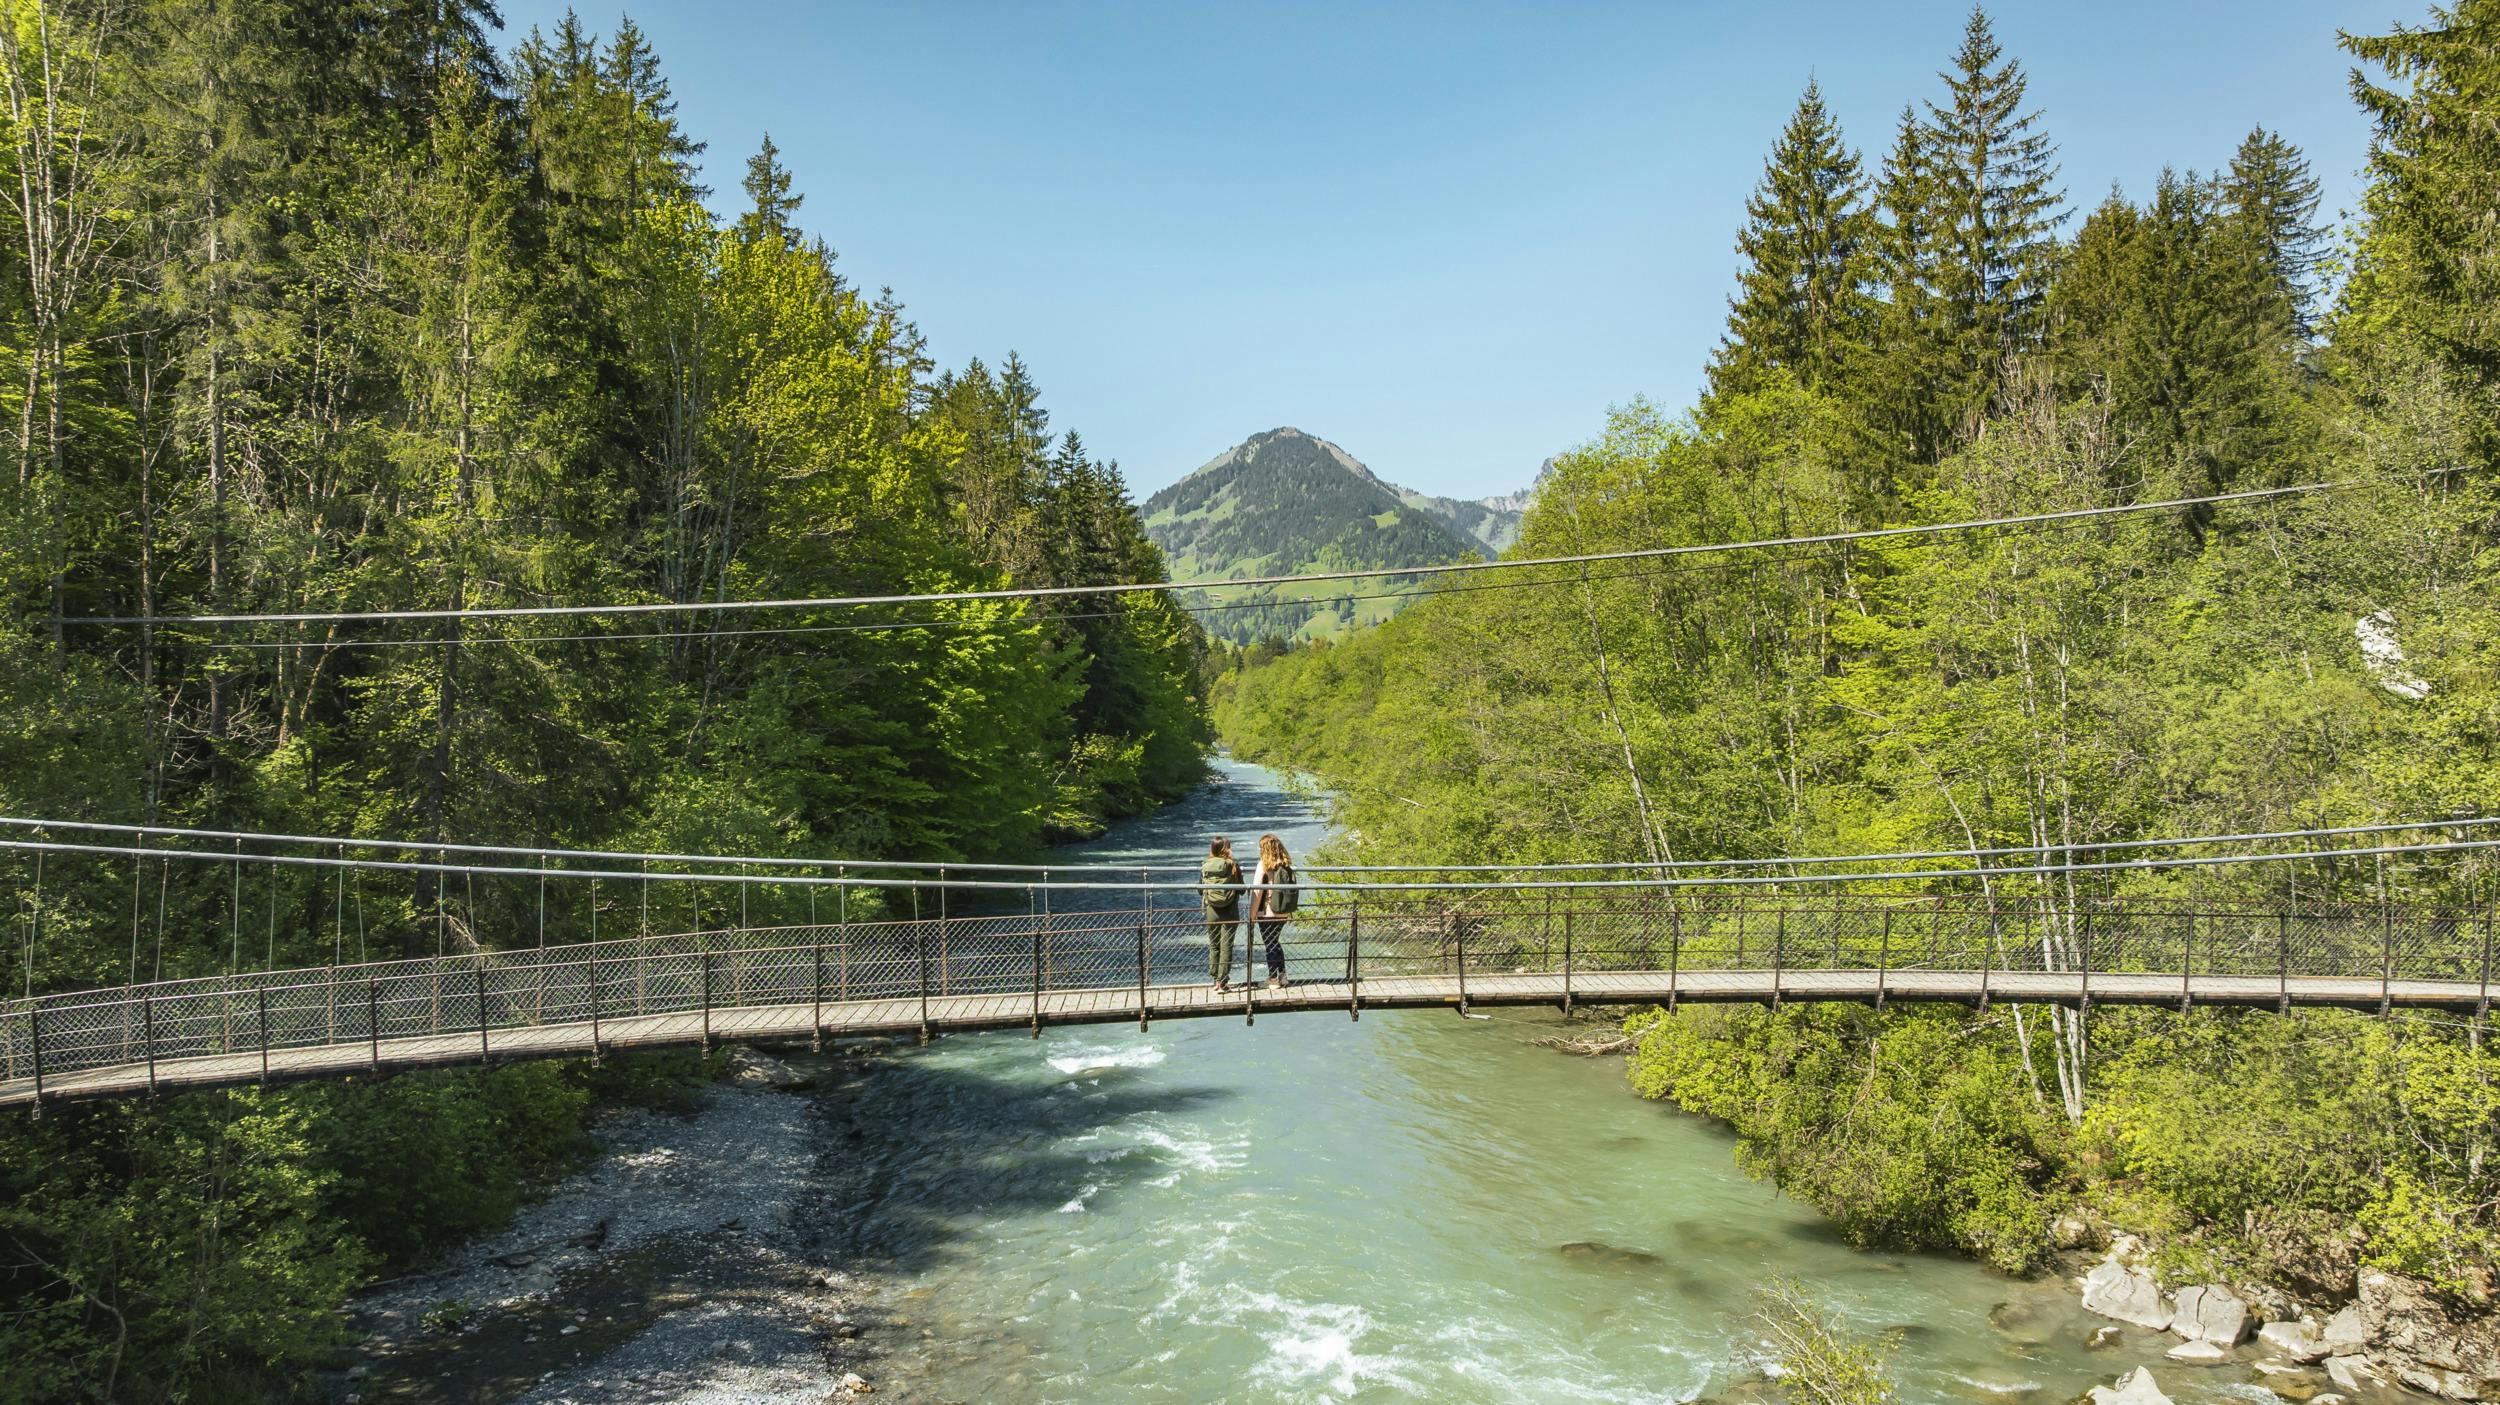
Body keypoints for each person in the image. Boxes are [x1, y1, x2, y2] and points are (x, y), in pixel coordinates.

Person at [1250, 833, 1296, 988]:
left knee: (1270, 945)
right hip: (1282, 912)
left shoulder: (1263, 865)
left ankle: (1273, 979)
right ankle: (1283, 976)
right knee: (1275, 943)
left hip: (1266, 913)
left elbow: (1256, 893)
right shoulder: (1286, 865)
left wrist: (1252, 915)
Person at [1200, 838, 1243, 991]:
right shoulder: (1232, 865)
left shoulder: (1205, 865)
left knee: (1214, 945)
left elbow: (1200, 889)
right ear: (1227, 848)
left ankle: (1214, 978)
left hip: (1212, 910)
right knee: (1226, 946)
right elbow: (1242, 889)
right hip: (1230, 911)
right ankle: (1222, 982)